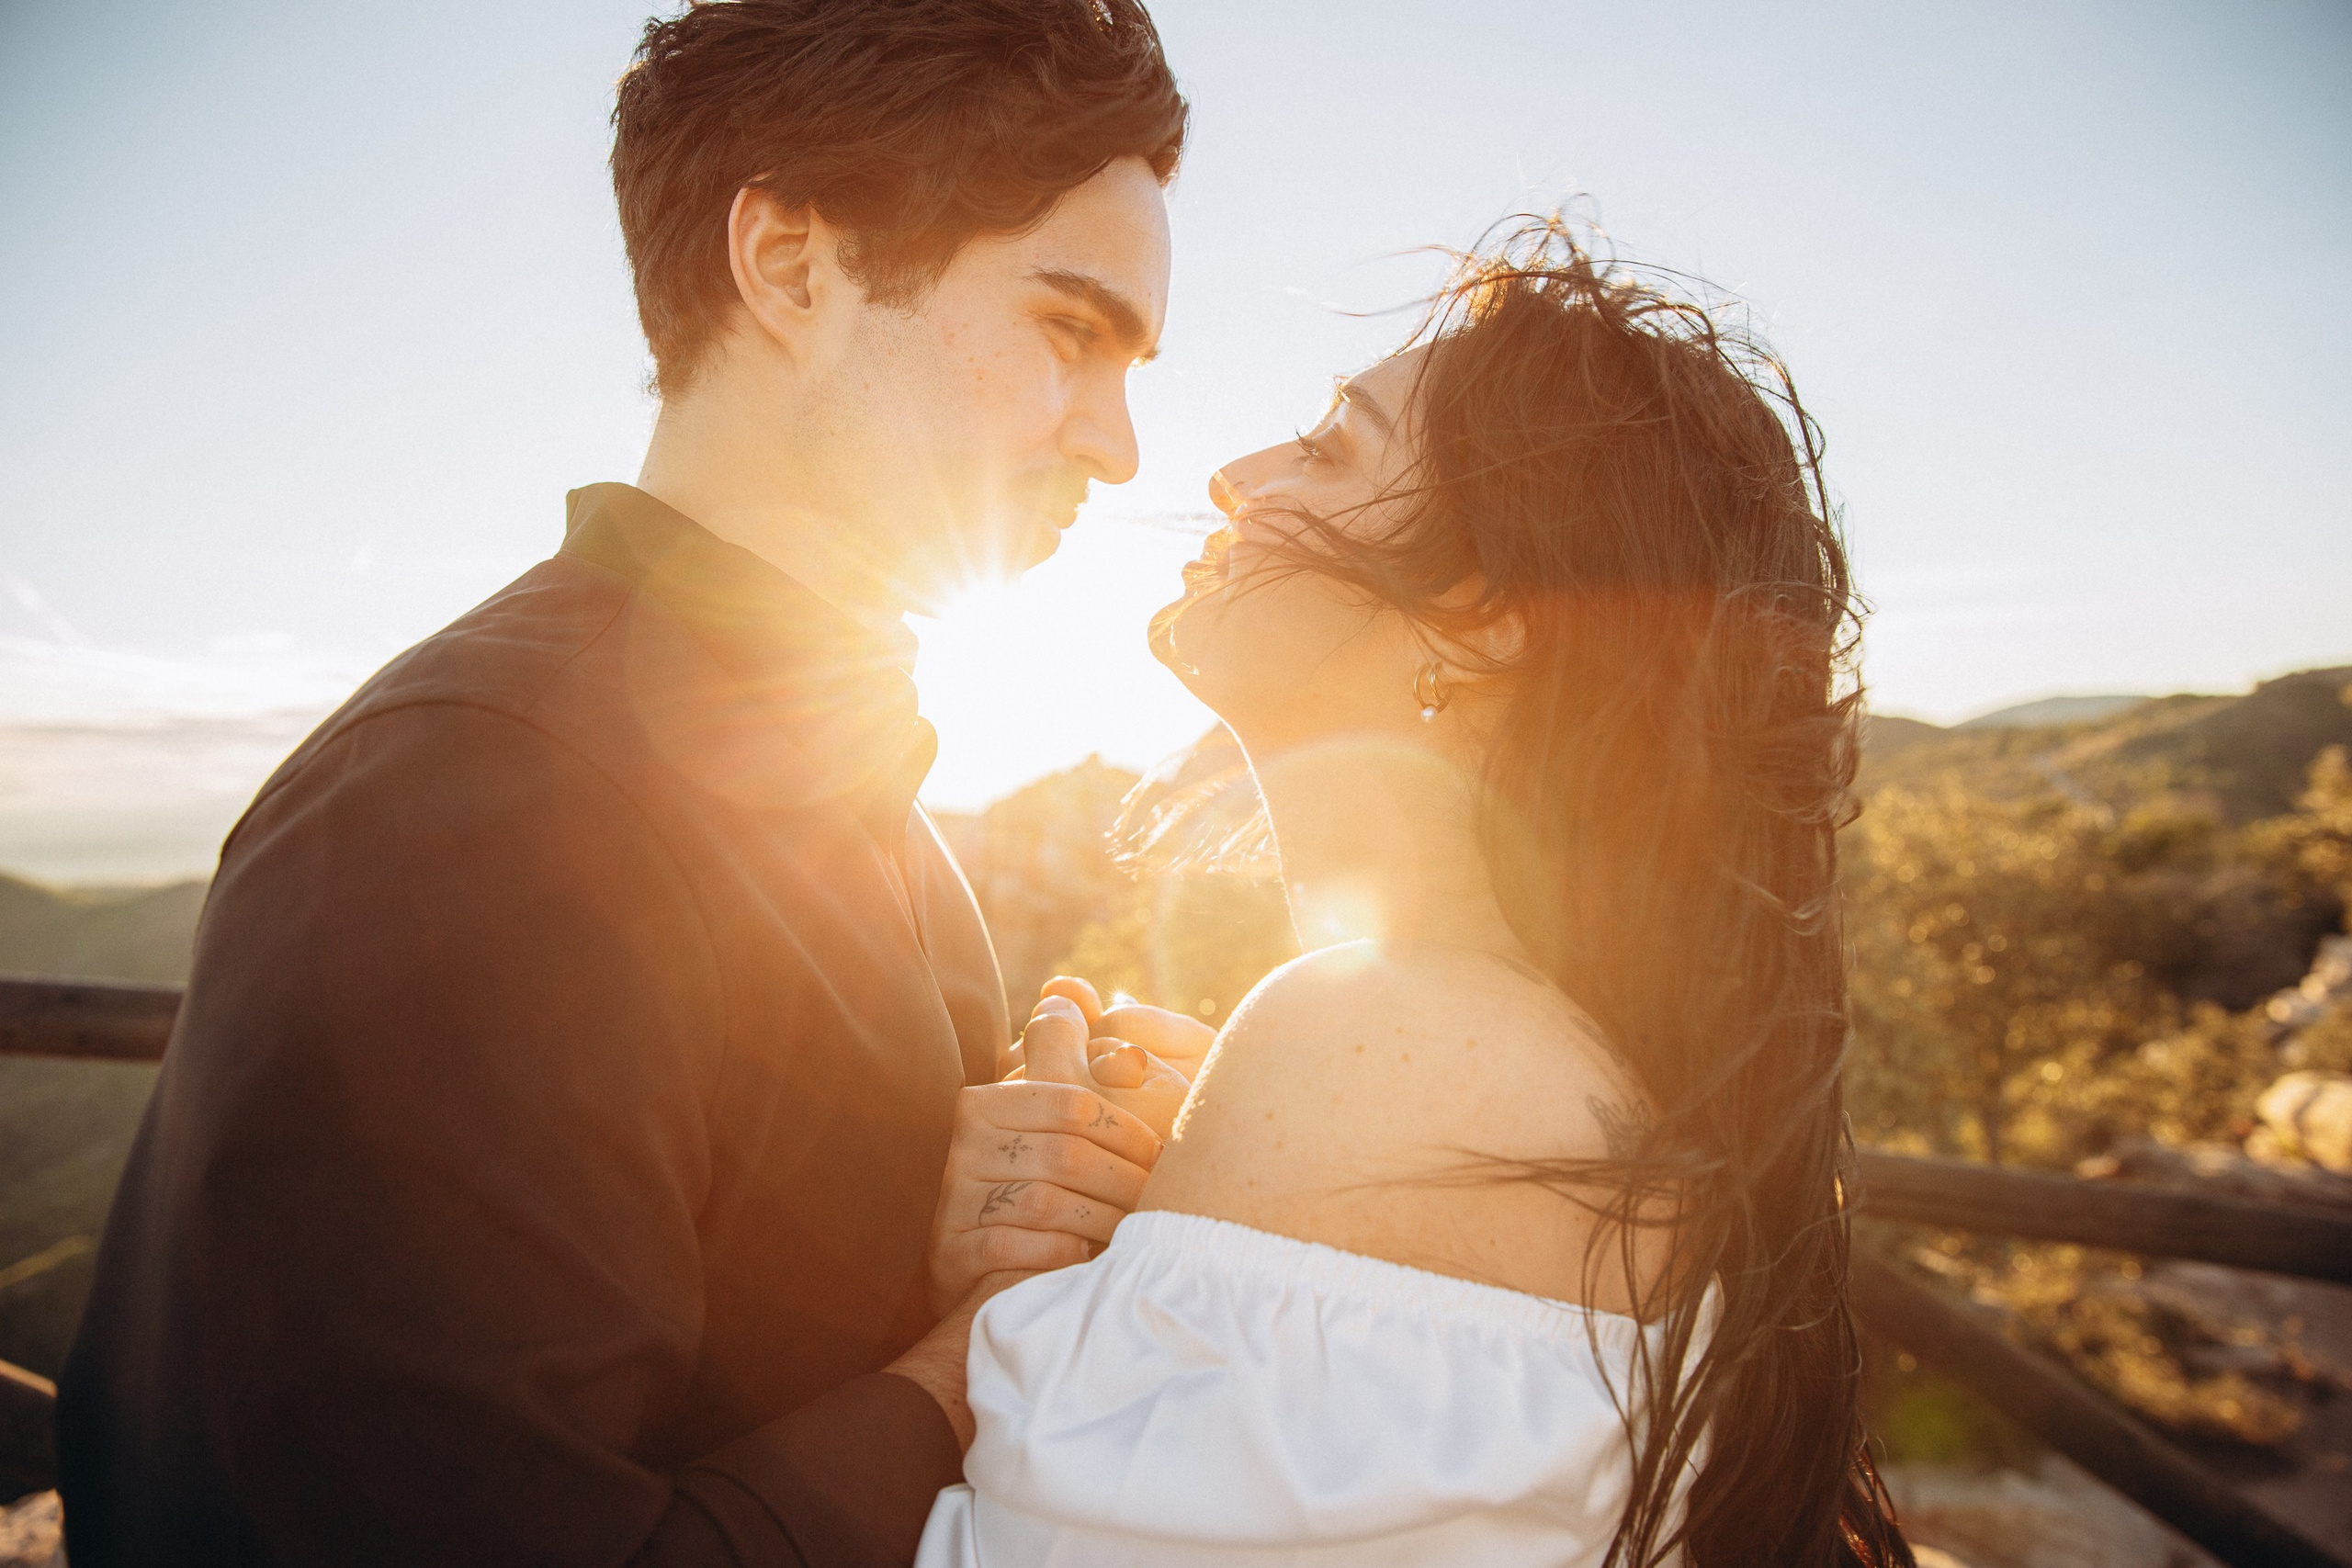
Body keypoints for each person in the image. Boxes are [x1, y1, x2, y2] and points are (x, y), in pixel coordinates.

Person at [57, 3, 1184, 1564]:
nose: (1120, 445)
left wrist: (960, 1235)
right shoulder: (480, 801)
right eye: (1071, 329)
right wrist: (956, 1365)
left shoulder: (875, 817)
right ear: (791, 265)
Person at [919, 219, 1917, 1566]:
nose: (1229, 476)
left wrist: (987, 1297)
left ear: (1485, 613)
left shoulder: (1368, 1037)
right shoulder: (1532, 1055)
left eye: (1330, 449)